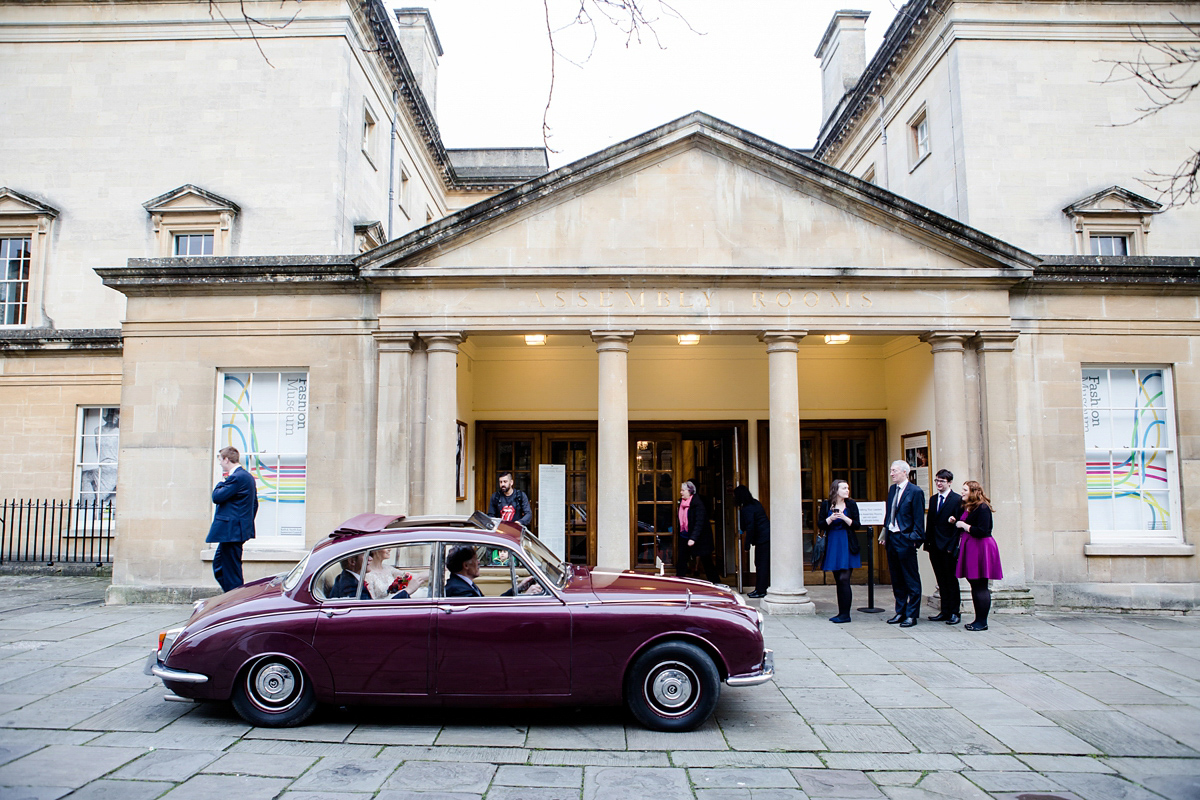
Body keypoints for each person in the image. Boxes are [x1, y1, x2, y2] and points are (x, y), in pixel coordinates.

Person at [951, 480, 1003, 631]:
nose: (962, 492)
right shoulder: (969, 508)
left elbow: (982, 530)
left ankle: (982, 622)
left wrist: (964, 525)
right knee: (974, 584)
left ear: (973, 492)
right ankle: (978, 619)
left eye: (965, 490)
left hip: (981, 548)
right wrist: (957, 521)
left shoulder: (983, 507)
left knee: (980, 585)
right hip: (972, 547)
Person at [879, 459, 925, 627]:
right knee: (897, 578)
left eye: (894, 471)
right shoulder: (892, 490)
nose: (891, 474)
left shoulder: (915, 491)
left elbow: (919, 520)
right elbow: (889, 513)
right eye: (891, 471)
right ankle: (900, 611)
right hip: (892, 538)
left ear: (905, 472)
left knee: (910, 578)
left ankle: (912, 615)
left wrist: (913, 540)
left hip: (906, 539)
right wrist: (885, 533)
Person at [206, 446, 258, 593]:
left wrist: (222, 481)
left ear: (227, 459)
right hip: (234, 531)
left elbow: (217, 497)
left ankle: (236, 601)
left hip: (231, 532)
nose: (220, 464)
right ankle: (231, 598)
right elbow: (254, 505)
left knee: (230, 570)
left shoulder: (237, 477)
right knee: (220, 566)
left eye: (221, 460)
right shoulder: (246, 477)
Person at [818, 479, 861, 623]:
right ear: (835, 490)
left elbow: (857, 525)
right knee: (838, 579)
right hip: (833, 543)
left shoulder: (851, 504)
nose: (847, 490)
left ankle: (846, 614)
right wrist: (831, 518)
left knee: (844, 579)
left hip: (847, 543)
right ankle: (841, 612)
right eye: (844, 488)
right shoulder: (826, 504)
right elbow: (821, 524)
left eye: (848, 488)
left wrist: (844, 518)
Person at [925, 469, 964, 625]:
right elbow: (930, 523)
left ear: (949, 482)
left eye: (942, 481)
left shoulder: (957, 500)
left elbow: (958, 527)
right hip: (935, 545)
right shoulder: (934, 499)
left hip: (948, 546)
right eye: (937, 481)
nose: (939, 484)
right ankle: (945, 610)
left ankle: (955, 612)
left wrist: (952, 546)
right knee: (941, 579)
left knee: (951, 580)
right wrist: (927, 543)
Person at [444, 545, 539, 597]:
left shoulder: (463, 584)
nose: (479, 562)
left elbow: (490, 604)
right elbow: (484, 613)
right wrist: (526, 596)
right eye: (475, 560)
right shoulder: (460, 590)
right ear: (466, 565)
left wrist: (518, 588)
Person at [676, 481, 719, 582]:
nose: (680, 492)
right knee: (682, 560)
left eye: (683, 490)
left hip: (700, 538)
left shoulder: (698, 503)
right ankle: (677, 582)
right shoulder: (681, 502)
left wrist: (693, 538)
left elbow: (699, 522)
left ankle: (716, 583)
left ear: (690, 491)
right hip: (685, 536)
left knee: (706, 560)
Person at [734, 485, 770, 598]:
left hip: (762, 539)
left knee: (761, 565)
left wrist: (746, 545)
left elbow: (750, 527)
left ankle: (761, 590)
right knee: (761, 564)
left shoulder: (747, 508)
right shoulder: (755, 503)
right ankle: (760, 589)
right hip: (766, 537)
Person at [363, 547, 428, 600]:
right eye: (386, 546)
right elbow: (371, 602)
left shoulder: (388, 568)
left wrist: (433, 574)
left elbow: (413, 577)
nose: (390, 549)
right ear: (374, 550)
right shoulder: (367, 574)